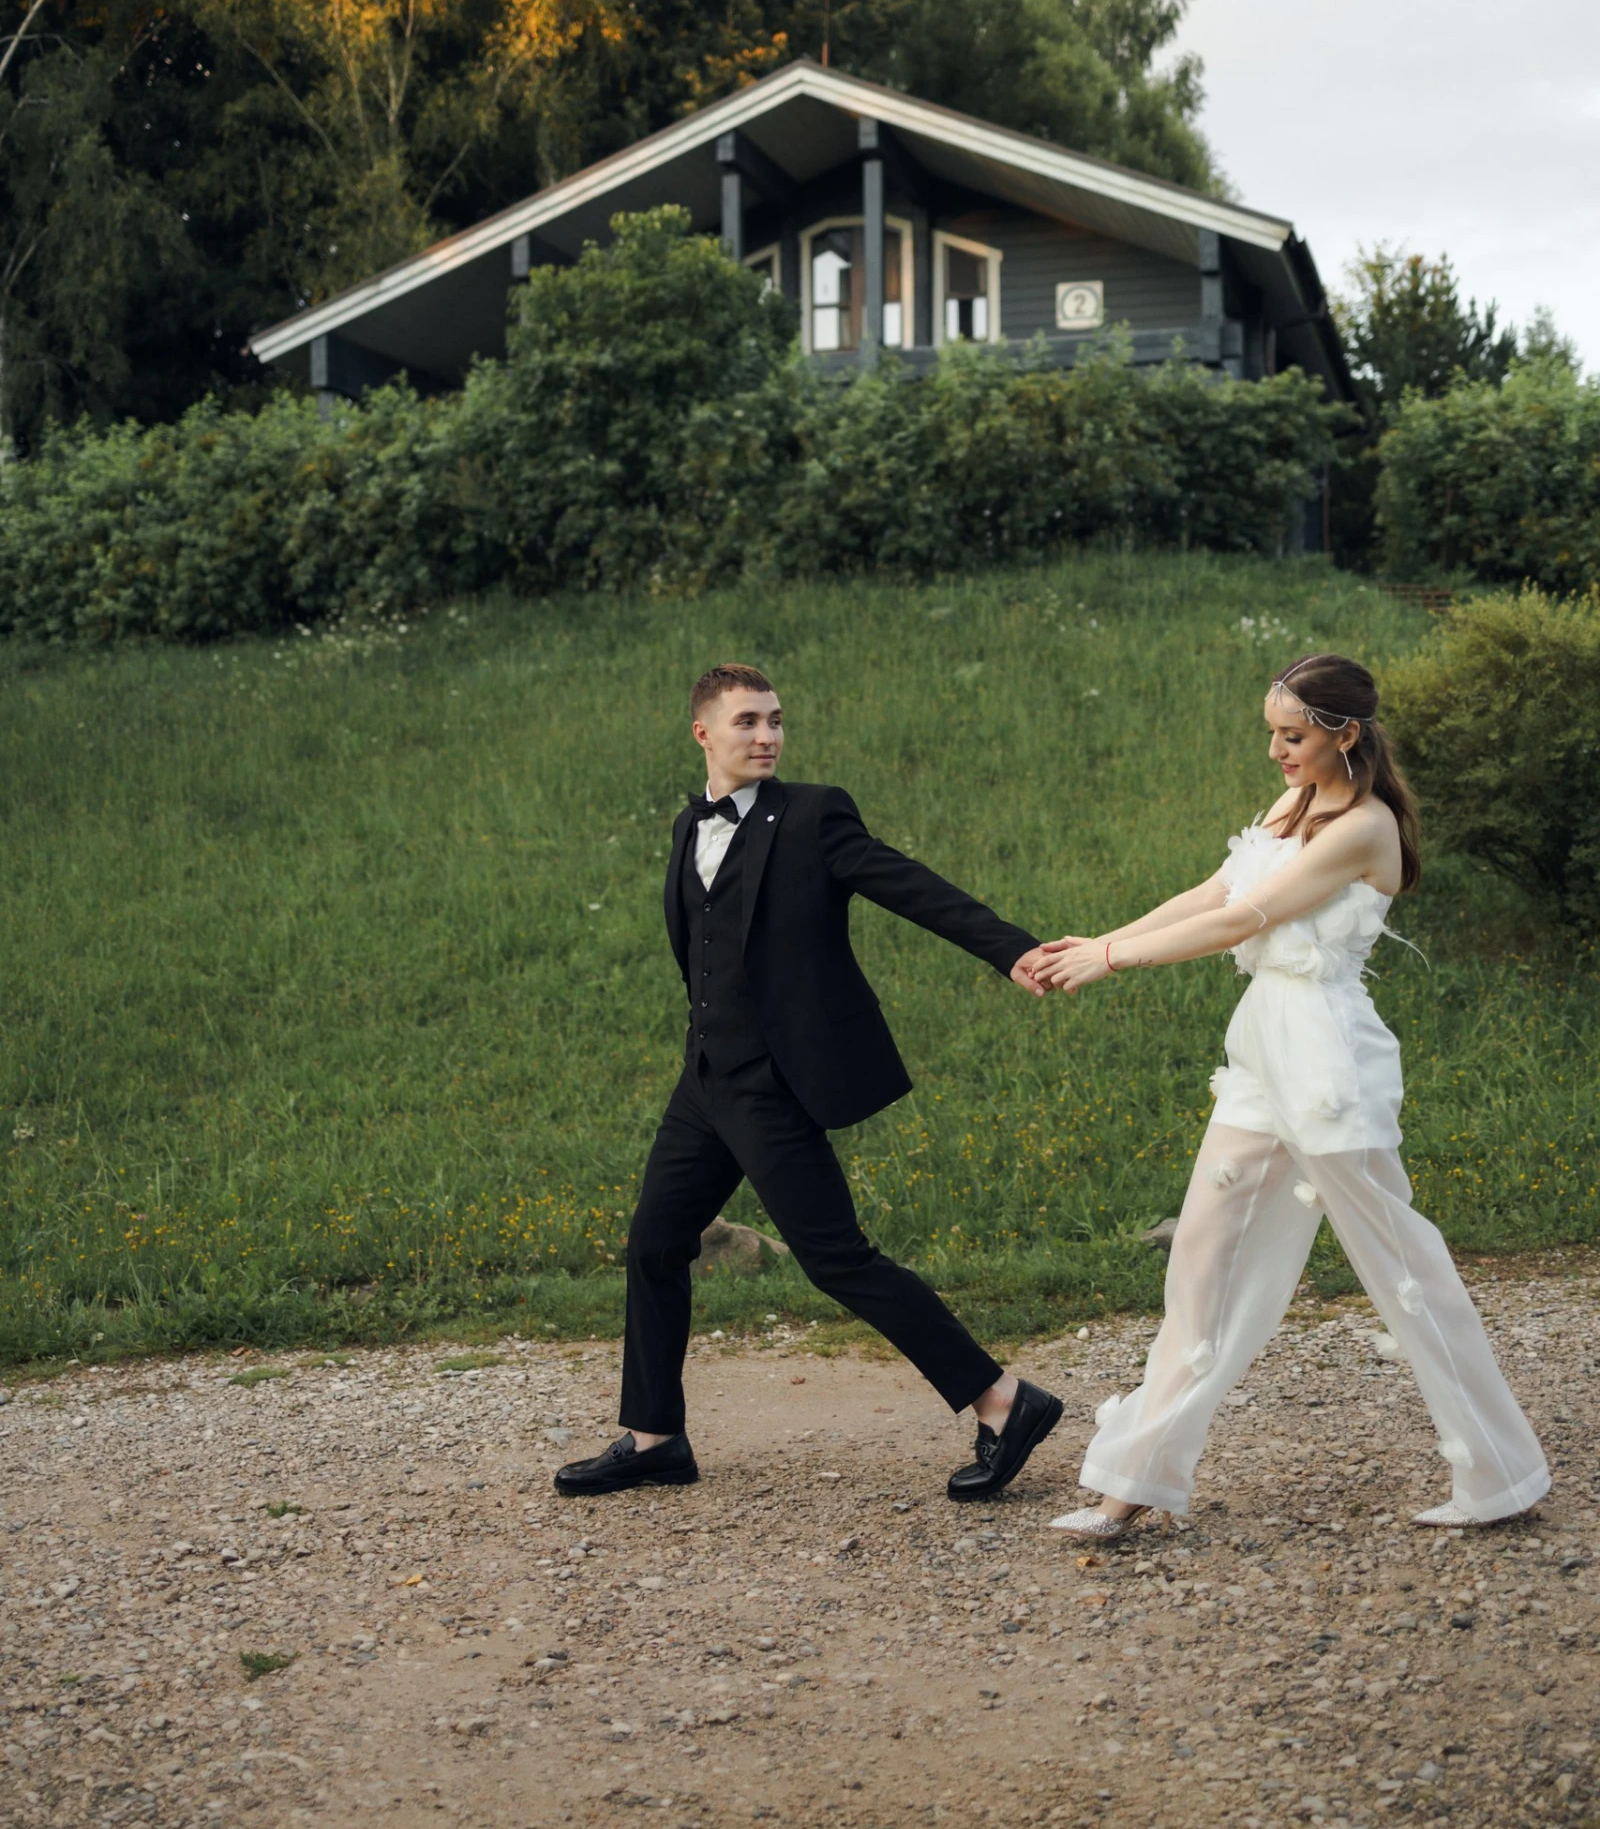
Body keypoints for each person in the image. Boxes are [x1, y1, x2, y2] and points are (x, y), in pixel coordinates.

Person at [1036, 652, 1550, 1540]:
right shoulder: (1295, 802)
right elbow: (1213, 892)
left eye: (1293, 735)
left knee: (1403, 1269)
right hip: (1261, 1052)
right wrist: (1097, 939)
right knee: (1203, 1257)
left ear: (1344, 734)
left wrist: (1111, 961)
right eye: (1272, 733)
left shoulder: (1365, 826)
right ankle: (1135, 1479)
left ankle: (1501, 1474)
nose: (1276, 750)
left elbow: (1246, 919)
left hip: (1326, 1059)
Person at [555, 663, 1063, 1504]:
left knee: (835, 1258)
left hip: (772, 1081)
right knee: (654, 1244)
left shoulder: (814, 815)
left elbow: (911, 885)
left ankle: (1004, 1401)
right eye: (748, 722)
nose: (768, 736)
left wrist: (1010, 950)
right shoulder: (688, 825)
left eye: (776, 721)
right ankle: (654, 1438)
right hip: (705, 1079)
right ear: (703, 733)